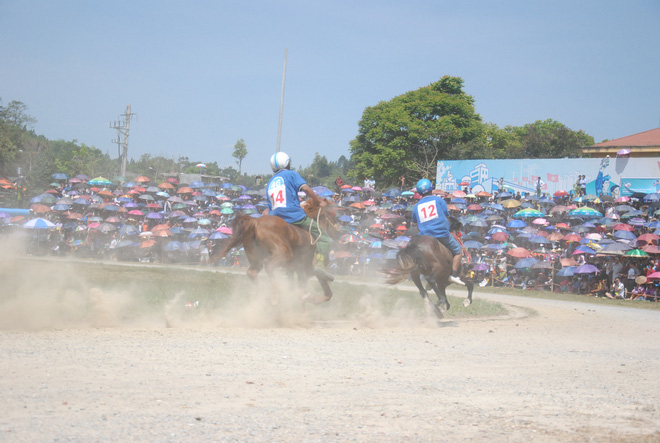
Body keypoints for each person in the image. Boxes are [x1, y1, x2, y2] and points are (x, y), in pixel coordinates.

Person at [267, 152, 334, 276]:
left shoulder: (270, 181)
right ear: (287, 163)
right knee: (322, 236)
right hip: (293, 216)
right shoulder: (291, 174)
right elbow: (306, 189)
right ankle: (319, 265)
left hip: (275, 219)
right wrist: (318, 200)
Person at [410, 178, 464, 286]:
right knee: (459, 251)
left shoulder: (416, 207)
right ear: (431, 188)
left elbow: (416, 223)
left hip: (425, 236)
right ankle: (453, 274)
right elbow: (446, 216)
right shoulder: (439, 200)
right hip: (441, 234)